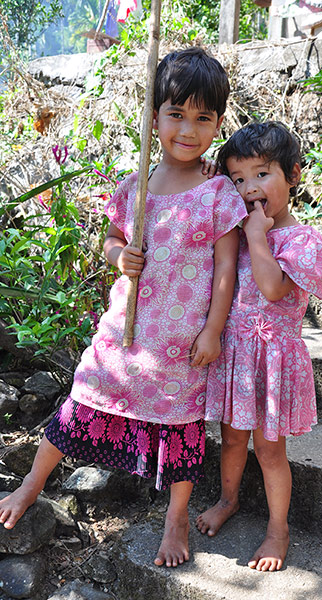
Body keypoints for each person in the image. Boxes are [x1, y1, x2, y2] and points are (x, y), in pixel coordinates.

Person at [0, 47, 247, 569]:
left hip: (181, 342)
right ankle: (31, 484)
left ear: (218, 124)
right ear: (153, 117)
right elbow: (111, 240)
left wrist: (213, 330)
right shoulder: (135, 186)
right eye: (175, 114)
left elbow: (227, 268)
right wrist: (120, 256)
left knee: (181, 428)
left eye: (203, 118)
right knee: (80, 400)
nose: (188, 129)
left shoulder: (217, 192)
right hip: (124, 335)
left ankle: (176, 517)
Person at [196, 121, 322, 571]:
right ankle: (228, 499)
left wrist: (256, 235)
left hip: (272, 360)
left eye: (262, 174)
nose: (249, 187)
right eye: (239, 178)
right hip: (236, 354)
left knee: (269, 450)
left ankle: (278, 529)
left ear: (291, 174)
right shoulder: (236, 229)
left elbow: (273, 289)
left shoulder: (303, 240)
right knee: (231, 439)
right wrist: (217, 178)